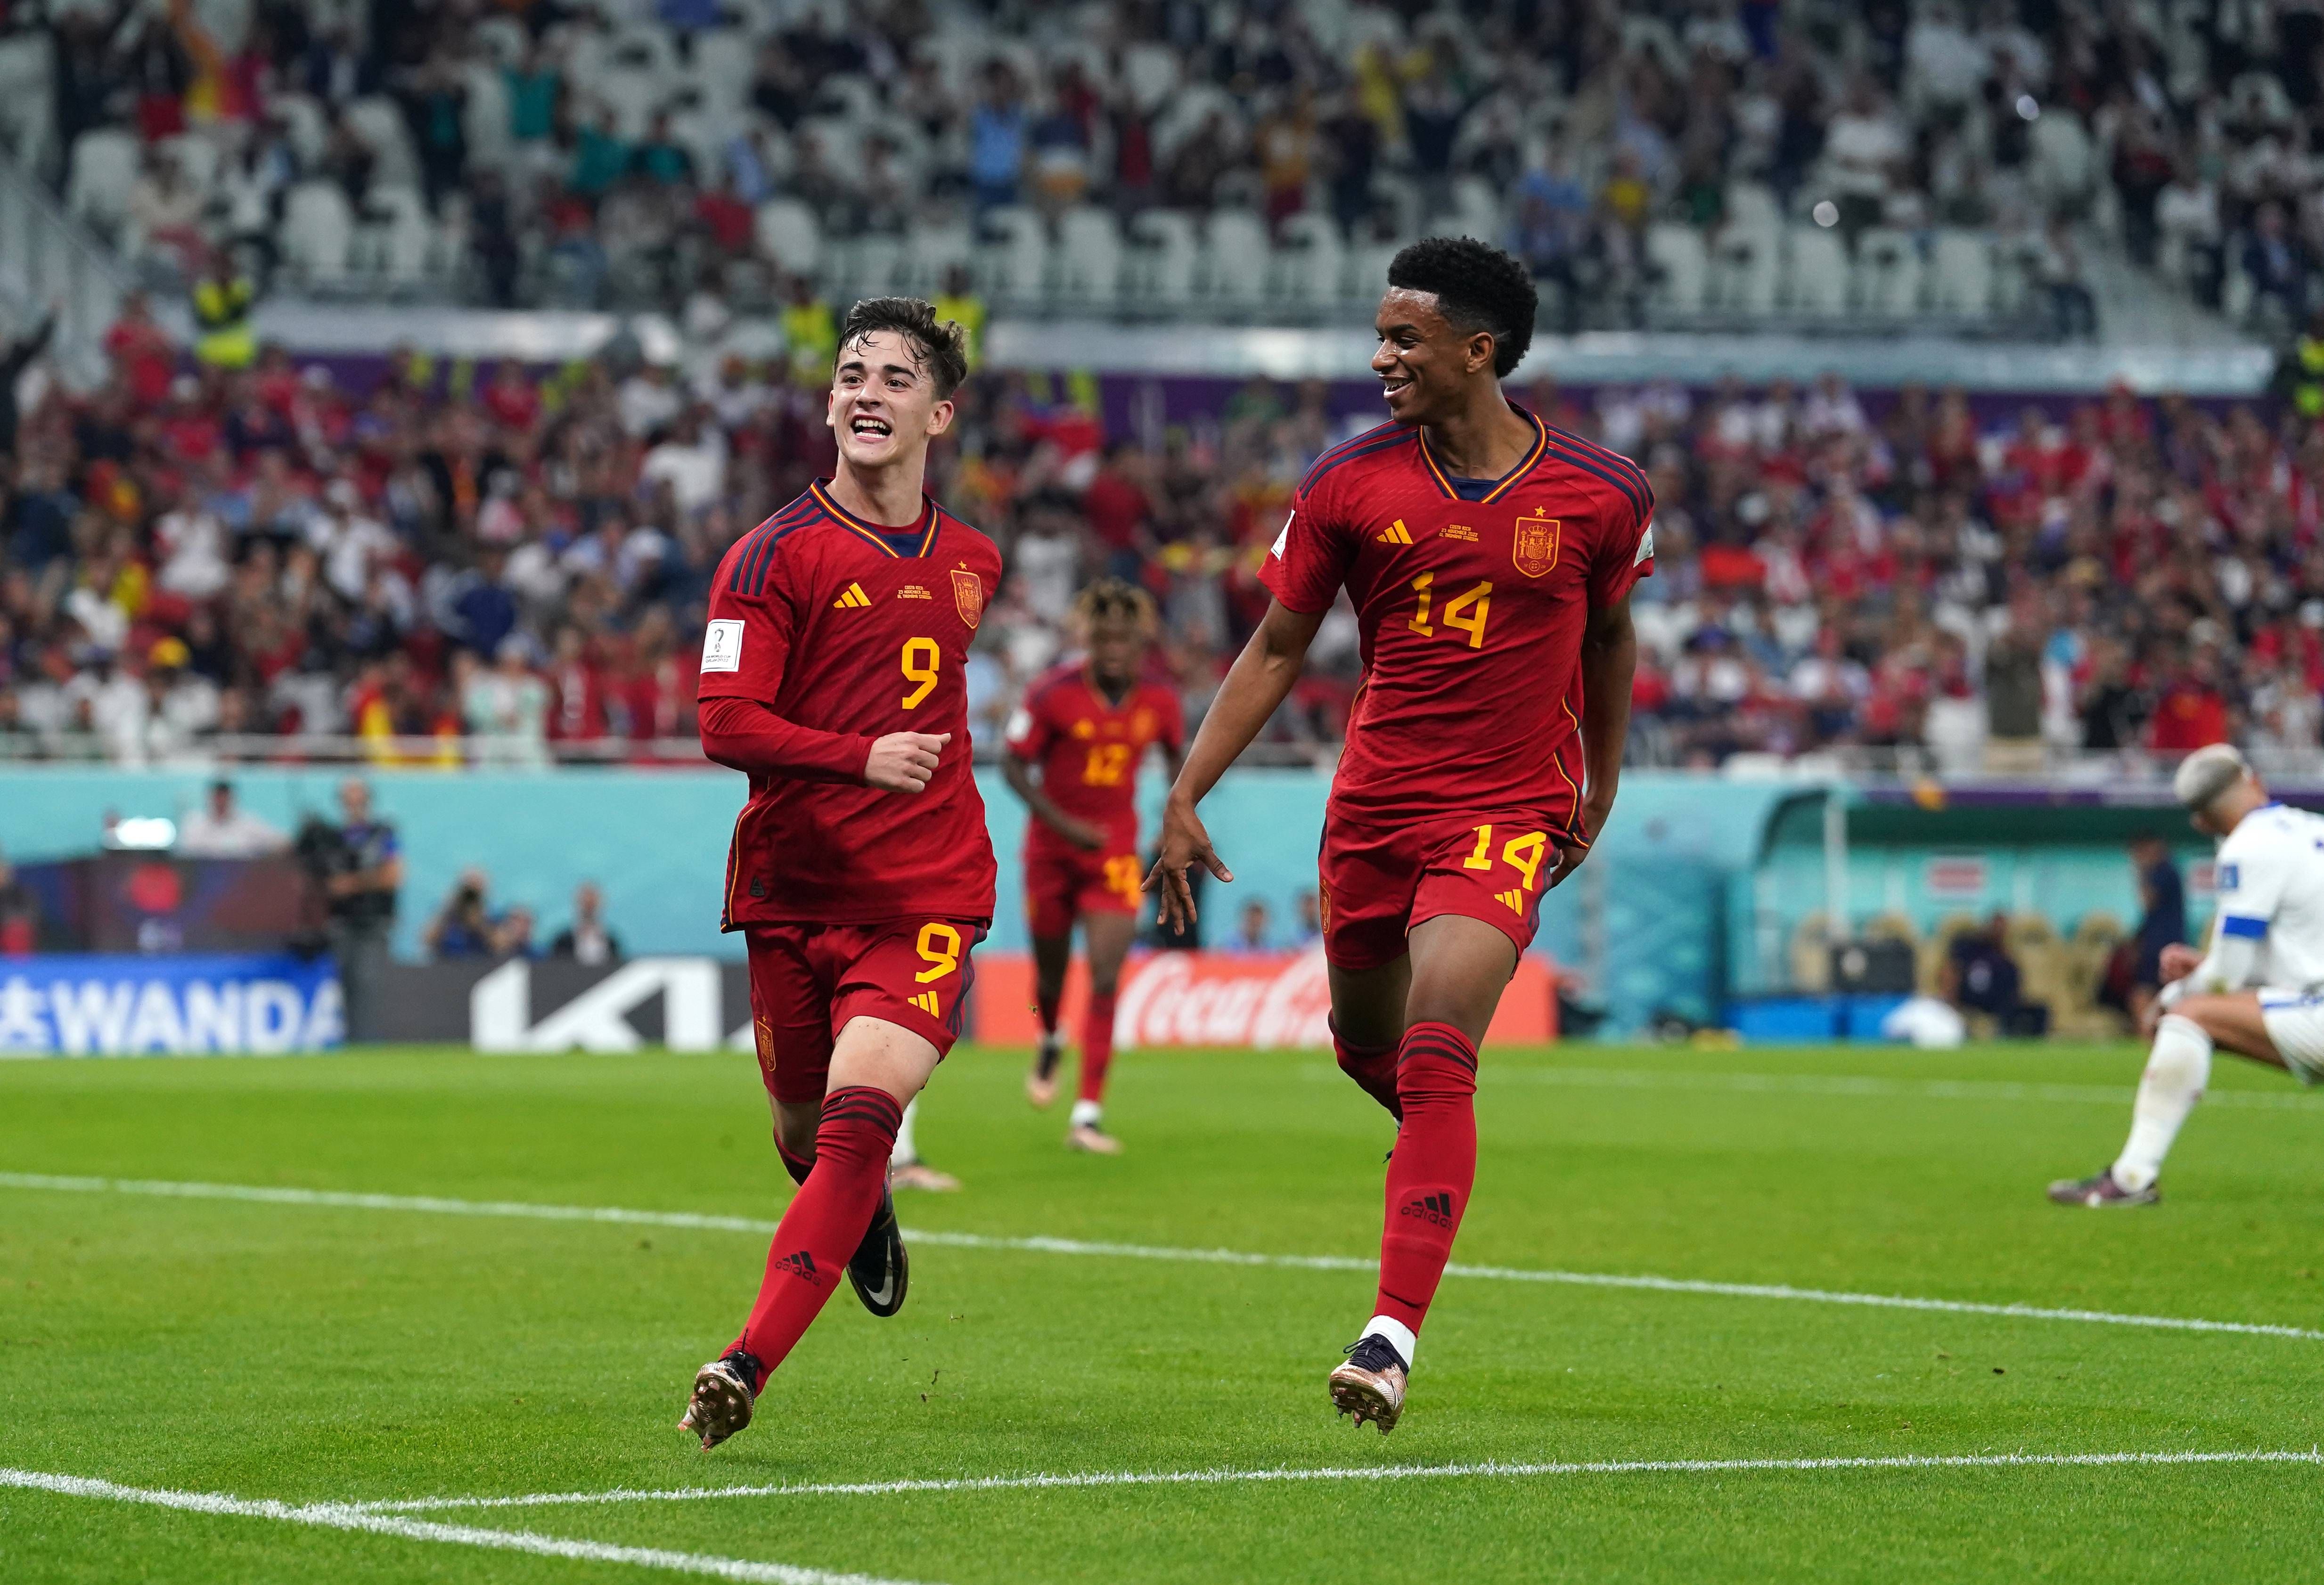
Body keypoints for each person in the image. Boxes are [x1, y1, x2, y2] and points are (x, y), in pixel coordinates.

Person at [1148, 237, 1652, 1431]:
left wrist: (1600, 784)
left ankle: (1387, 1336)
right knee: (1370, 1047)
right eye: (1379, 337)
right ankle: (1439, 1146)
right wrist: (1185, 791)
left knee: (1437, 1045)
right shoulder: (1345, 483)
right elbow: (1278, 646)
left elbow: (1610, 639)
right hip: (1373, 812)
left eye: (1403, 339)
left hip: (1505, 810)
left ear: (1478, 350)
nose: (1380, 358)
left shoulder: (1603, 492)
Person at [679, 296, 1003, 1450]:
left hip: (925, 891)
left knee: (863, 1121)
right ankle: (858, 1211)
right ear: (829, 404)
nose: (868, 392)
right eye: (852, 375)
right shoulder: (768, 556)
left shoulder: (974, 560)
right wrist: (856, 756)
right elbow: (722, 720)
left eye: (896, 378)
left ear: (939, 415)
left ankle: (743, 1361)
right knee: (804, 1133)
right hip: (794, 888)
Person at [2052, 746, 2324, 1207]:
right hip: (2310, 1002)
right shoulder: (2311, 827)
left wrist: (2173, 994)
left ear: (2200, 821)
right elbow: (2299, 961)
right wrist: (2206, 967)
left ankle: (2132, 1178)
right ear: (2254, 779)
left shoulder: (2248, 847)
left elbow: (2224, 981)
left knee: (2187, 1015)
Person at [1002, 579, 1184, 1152]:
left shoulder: (1160, 700)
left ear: (1140, 644)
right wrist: (1063, 825)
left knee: (1106, 976)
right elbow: (1012, 765)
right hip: (1050, 854)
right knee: (1050, 978)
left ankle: (1087, 1115)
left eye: (1123, 640)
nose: (1112, 650)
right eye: (1102, 639)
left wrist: (1174, 821)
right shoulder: (1050, 692)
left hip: (1115, 853)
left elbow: (1181, 762)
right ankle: (1050, 1035)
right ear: (1088, 639)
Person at [318, 779, 402, 1043]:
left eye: (358, 797)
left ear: (367, 800)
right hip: (342, 922)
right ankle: (350, 1043)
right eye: (348, 798)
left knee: (367, 983)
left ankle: (368, 1043)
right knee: (343, 986)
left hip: (372, 923)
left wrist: (352, 884)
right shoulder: (333, 839)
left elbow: (394, 875)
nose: (353, 803)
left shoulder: (382, 835)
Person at [2127, 831, 2186, 1026]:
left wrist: (2140, 871)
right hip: (2160, 942)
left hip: (2163, 944)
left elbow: (2148, 902)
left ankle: (2148, 1031)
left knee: (2145, 993)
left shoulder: (2164, 872)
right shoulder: (2165, 871)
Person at [175, 778, 289, 858]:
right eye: (218, 798)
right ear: (210, 799)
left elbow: (279, 842)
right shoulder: (195, 823)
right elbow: (185, 852)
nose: (221, 803)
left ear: (231, 799)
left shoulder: (248, 823)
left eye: (224, 798)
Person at [549, 881, 623, 966]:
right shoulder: (563, 943)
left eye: (592, 905)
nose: (589, 909)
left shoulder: (612, 943)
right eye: (585, 904)